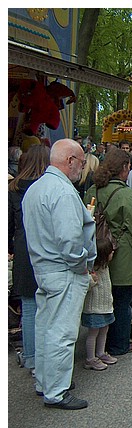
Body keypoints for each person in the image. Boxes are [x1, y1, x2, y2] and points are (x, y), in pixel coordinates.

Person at [23, 138, 97, 409]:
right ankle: (57, 390)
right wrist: (81, 266)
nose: (81, 167)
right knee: (62, 333)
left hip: (43, 267)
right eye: (79, 162)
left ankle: (46, 381)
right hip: (64, 270)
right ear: (69, 161)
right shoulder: (63, 192)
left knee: (45, 329)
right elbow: (70, 241)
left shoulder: (36, 188)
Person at [85, 148, 132, 356]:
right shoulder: (125, 194)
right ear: (124, 168)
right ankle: (118, 344)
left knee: (99, 301)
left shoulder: (92, 191)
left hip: (97, 251)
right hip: (122, 253)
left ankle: (96, 345)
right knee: (122, 302)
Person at [8, 144, 50, 373]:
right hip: (45, 247)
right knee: (48, 305)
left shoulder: (13, 189)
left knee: (29, 305)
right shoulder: (48, 189)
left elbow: (9, 226)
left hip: (23, 250)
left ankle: (31, 357)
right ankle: (45, 358)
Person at [81, 236, 117, 371]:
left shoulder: (105, 267)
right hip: (94, 307)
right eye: (110, 252)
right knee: (93, 332)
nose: (112, 254)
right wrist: (92, 280)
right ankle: (90, 358)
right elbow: (87, 286)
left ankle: (101, 353)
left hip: (106, 305)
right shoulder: (93, 270)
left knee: (104, 329)